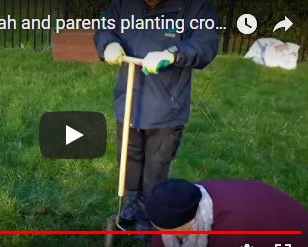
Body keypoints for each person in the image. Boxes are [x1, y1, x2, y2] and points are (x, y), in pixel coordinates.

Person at [94, 0, 220, 231]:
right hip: (130, 100)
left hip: (166, 108)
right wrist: (108, 43)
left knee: (156, 166)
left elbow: (206, 43)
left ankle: (148, 215)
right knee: (129, 159)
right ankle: (129, 205)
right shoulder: (124, 5)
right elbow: (105, 26)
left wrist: (173, 54)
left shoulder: (196, 7)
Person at [142, 179, 308, 247]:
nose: (159, 232)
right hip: (260, 215)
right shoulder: (183, 202)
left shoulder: (227, 235)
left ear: (186, 226)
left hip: (292, 242)